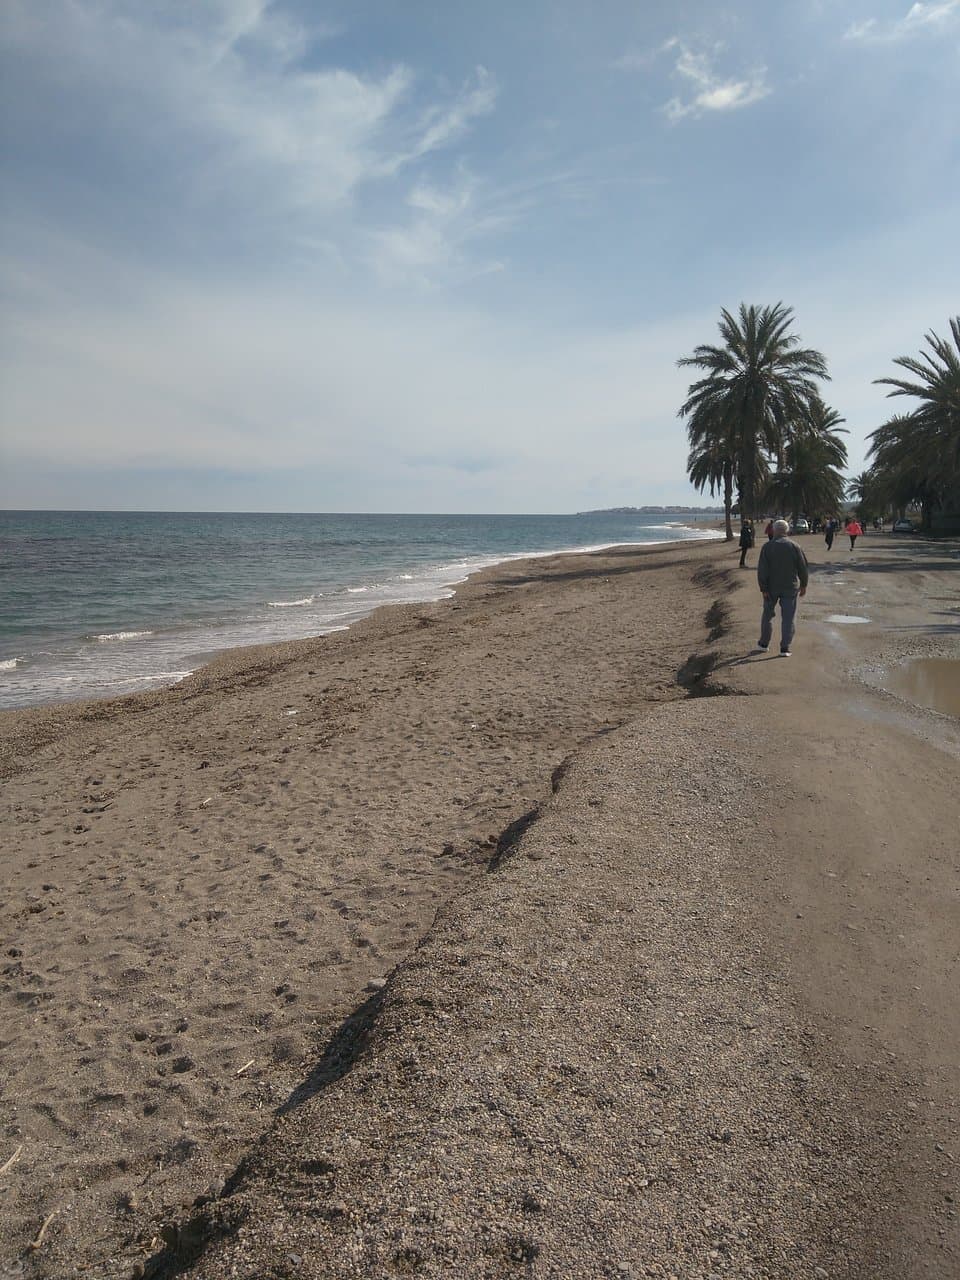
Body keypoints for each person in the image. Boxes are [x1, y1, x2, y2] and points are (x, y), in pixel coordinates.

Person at [756, 518, 808, 656]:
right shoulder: (794, 546)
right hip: (790, 586)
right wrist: (804, 585)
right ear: (787, 530)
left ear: (773, 530)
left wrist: (763, 588)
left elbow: (762, 570)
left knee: (767, 615)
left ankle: (764, 643)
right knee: (788, 617)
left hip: (771, 587)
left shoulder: (767, 547)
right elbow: (803, 568)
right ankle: (785, 648)